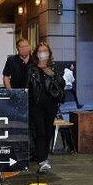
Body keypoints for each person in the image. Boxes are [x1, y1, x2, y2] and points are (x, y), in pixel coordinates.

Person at [28, 41, 66, 173]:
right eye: (40, 51)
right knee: (40, 132)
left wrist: (53, 74)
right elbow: (27, 87)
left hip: (51, 105)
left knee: (48, 131)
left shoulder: (54, 67)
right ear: (36, 54)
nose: (43, 53)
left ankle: (44, 157)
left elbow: (62, 83)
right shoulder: (31, 68)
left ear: (49, 53)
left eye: (45, 51)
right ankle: (42, 160)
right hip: (36, 106)